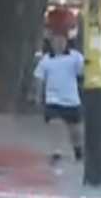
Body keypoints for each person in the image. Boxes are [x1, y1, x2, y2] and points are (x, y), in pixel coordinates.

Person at [33, 32, 85, 167]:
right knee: (55, 124)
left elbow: (82, 71)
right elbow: (39, 78)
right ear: (51, 43)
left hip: (71, 100)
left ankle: (78, 150)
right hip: (53, 99)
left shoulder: (75, 56)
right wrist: (38, 96)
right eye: (56, 41)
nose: (59, 44)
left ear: (67, 42)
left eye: (62, 41)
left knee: (75, 131)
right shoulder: (46, 60)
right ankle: (56, 152)